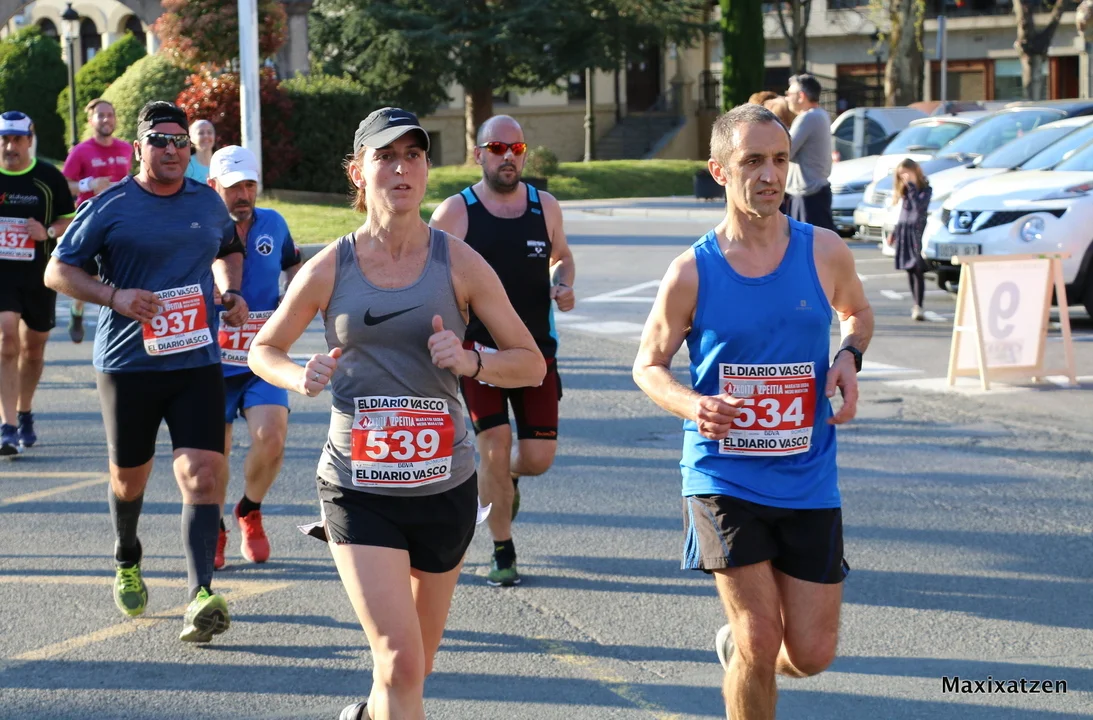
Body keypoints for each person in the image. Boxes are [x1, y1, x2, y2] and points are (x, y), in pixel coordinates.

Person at [247, 107, 545, 720]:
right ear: (358, 172)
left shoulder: (458, 262)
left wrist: (472, 359)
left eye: (413, 156)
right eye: (386, 157)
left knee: (414, 668)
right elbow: (263, 349)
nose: (402, 169)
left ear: (427, 169)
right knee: (401, 662)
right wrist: (298, 375)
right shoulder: (331, 266)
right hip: (359, 488)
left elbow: (530, 363)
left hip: (444, 487)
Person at [631, 104, 874, 720]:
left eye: (780, 160)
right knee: (761, 638)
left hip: (808, 474)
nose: (770, 175)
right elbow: (648, 365)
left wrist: (848, 356)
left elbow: (857, 312)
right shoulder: (692, 270)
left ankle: (738, 651)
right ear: (720, 170)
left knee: (811, 653)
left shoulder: (824, 251)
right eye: (753, 161)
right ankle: (748, 650)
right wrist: (695, 404)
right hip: (724, 475)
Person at [45, 101, 249, 643]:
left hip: (196, 359)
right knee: (128, 479)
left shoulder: (207, 202)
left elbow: (229, 249)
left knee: (203, 473)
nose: (172, 150)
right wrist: (115, 296)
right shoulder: (110, 205)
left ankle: (200, 595)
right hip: (129, 364)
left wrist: (229, 291)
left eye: (181, 141)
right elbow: (57, 271)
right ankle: (127, 554)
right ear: (139, 148)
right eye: (160, 141)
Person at [430, 114, 575, 587]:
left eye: (517, 148)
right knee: (494, 447)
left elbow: (562, 256)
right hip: (478, 355)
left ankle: (504, 482)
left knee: (537, 458)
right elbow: (430, 276)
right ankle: (502, 548)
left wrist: (562, 283)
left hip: (535, 354)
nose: (508, 156)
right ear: (479, 154)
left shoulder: (544, 206)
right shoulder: (455, 213)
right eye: (497, 148)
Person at [207, 145, 303, 568]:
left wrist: (292, 299)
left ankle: (249, 509)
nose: (243, 195)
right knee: (215, 455)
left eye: (249, 185)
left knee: (272, 438)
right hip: (211, 361)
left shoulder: (274, 223)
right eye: (233, 188)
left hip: (261, 357)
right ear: (214, 186)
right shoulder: (200, 228)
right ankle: (213, 525)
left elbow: (294, 266)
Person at [0, 110, 76, 455]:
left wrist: (46, 231)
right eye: (4, 139)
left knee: (33, 350)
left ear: (29, 141)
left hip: (38, 276)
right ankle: (7, 427)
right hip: (2, 277)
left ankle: (24, 411)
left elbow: (68, 219)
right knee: (6, 340)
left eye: (17, 139)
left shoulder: (47, 177)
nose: (10, 146)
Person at [61, 98, 134, 343]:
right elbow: (64, 184)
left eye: (110, 115)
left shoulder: (125, 148)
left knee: (121, 271)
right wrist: (89, 184)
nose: (106, 119)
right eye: (100, 115)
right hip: (90, 220)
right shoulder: (81, 151)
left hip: (121, 219)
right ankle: (77, 310)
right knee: (88, 275)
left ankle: (119, 321)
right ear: (91, 120)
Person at [783, 73, 835, 231]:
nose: (786, 98)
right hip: (814, 191)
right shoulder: (820, 115)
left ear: (801, 96)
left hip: (808, 195)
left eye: (789, 94)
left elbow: (785, 151)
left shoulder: (808, 118)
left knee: (807, 242)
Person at [886, 158, 932, 321]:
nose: (904, 177)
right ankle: (915, 303)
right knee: (909, 268)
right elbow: (902, 213)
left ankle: (919, 305)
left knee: (917, 267)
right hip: (904, 230)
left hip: (917, 231)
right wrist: (894, 232)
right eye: (901, 174)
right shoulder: (905, 191)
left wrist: (912, 186)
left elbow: (919, 207)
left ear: (914, 171)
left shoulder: (925, 189)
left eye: (906, 173)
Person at [184, 119, 215, 183]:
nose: (206, 136)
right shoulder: (186, 166)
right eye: (201, 133)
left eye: (209, 132)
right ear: (191, 138)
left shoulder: (222, 163)